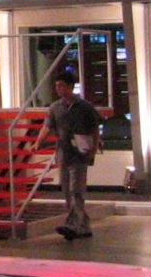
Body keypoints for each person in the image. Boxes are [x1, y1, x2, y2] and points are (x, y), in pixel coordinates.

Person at [33, 71, 102, 240]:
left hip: (80, 153)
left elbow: (94, 128)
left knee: (76, 189)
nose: (58, 89)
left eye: (61, 85)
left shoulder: (84, 107)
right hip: (63, 153)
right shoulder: (55, 107)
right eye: (57, 86)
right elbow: (47, 126)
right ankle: (83, 226)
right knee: (67, 190)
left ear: (70, 87)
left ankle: (72, 225)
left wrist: (93, 148)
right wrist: (38, 142)